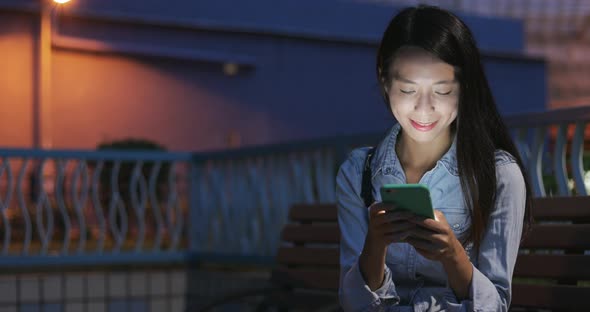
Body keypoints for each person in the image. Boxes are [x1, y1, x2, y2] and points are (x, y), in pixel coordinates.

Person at [336, 5, 533, 312]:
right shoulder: (358, 172)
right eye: (407, 90)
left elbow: (495, 306)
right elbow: (353, 305)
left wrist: (453, 255)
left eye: (441, 91)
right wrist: (375, 246)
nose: (424, 109)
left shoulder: (498, 175)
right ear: (385, 81)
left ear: (463, 87)